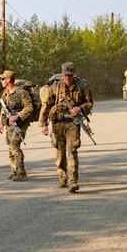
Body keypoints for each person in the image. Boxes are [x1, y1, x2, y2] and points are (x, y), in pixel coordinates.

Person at [38, 62, 93, 192]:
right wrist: (44, 124)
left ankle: (73, 181)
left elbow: (90, 103)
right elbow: (46, 106)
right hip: (58, 123)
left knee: (72, 150)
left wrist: (80, 108)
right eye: (65, 75)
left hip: (73, 123)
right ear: (62, 75)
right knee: (60, 151)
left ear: (74, 74)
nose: (67, 78)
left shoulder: (82, 87)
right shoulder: (55, 88)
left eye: (69, 75)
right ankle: (62, 177)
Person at [0, 70, 34, 181]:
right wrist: (1, 123)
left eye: (3, 79)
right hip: (10, 124)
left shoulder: (21, 93)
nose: (1, 81)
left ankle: (21, 172)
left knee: (14, 146)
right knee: (10, 147)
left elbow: (29, 107)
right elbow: (4, 109)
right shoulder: (5, 94)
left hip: (21, 123)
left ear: (8, 80)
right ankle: (14, 170)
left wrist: (18, 116)